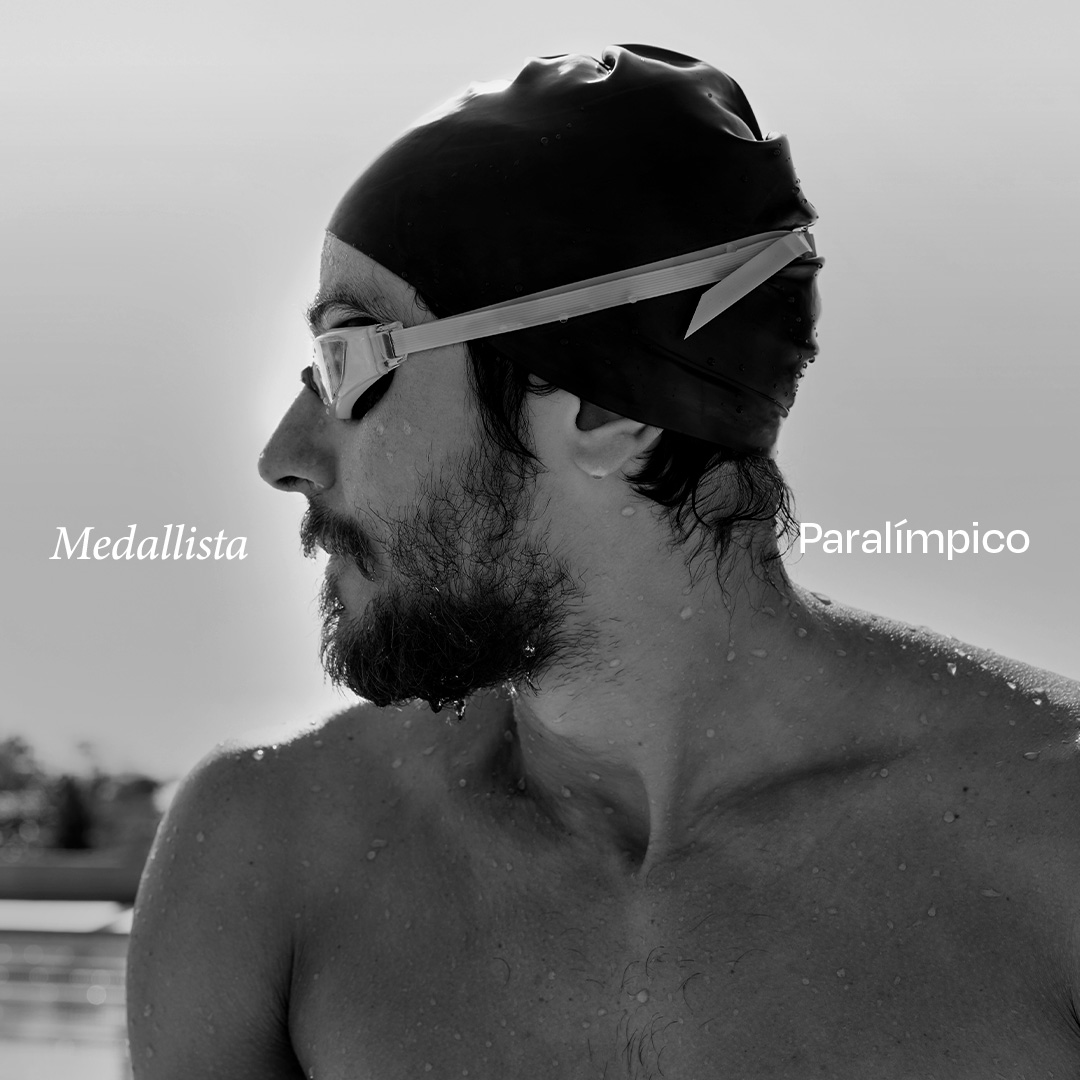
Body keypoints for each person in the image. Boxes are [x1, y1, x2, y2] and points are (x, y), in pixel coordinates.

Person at [126, 44, 1080, 1078]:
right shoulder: (272, 860)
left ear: (606, 408)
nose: (285, 455)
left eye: (351, 361)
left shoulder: (1052, 851)